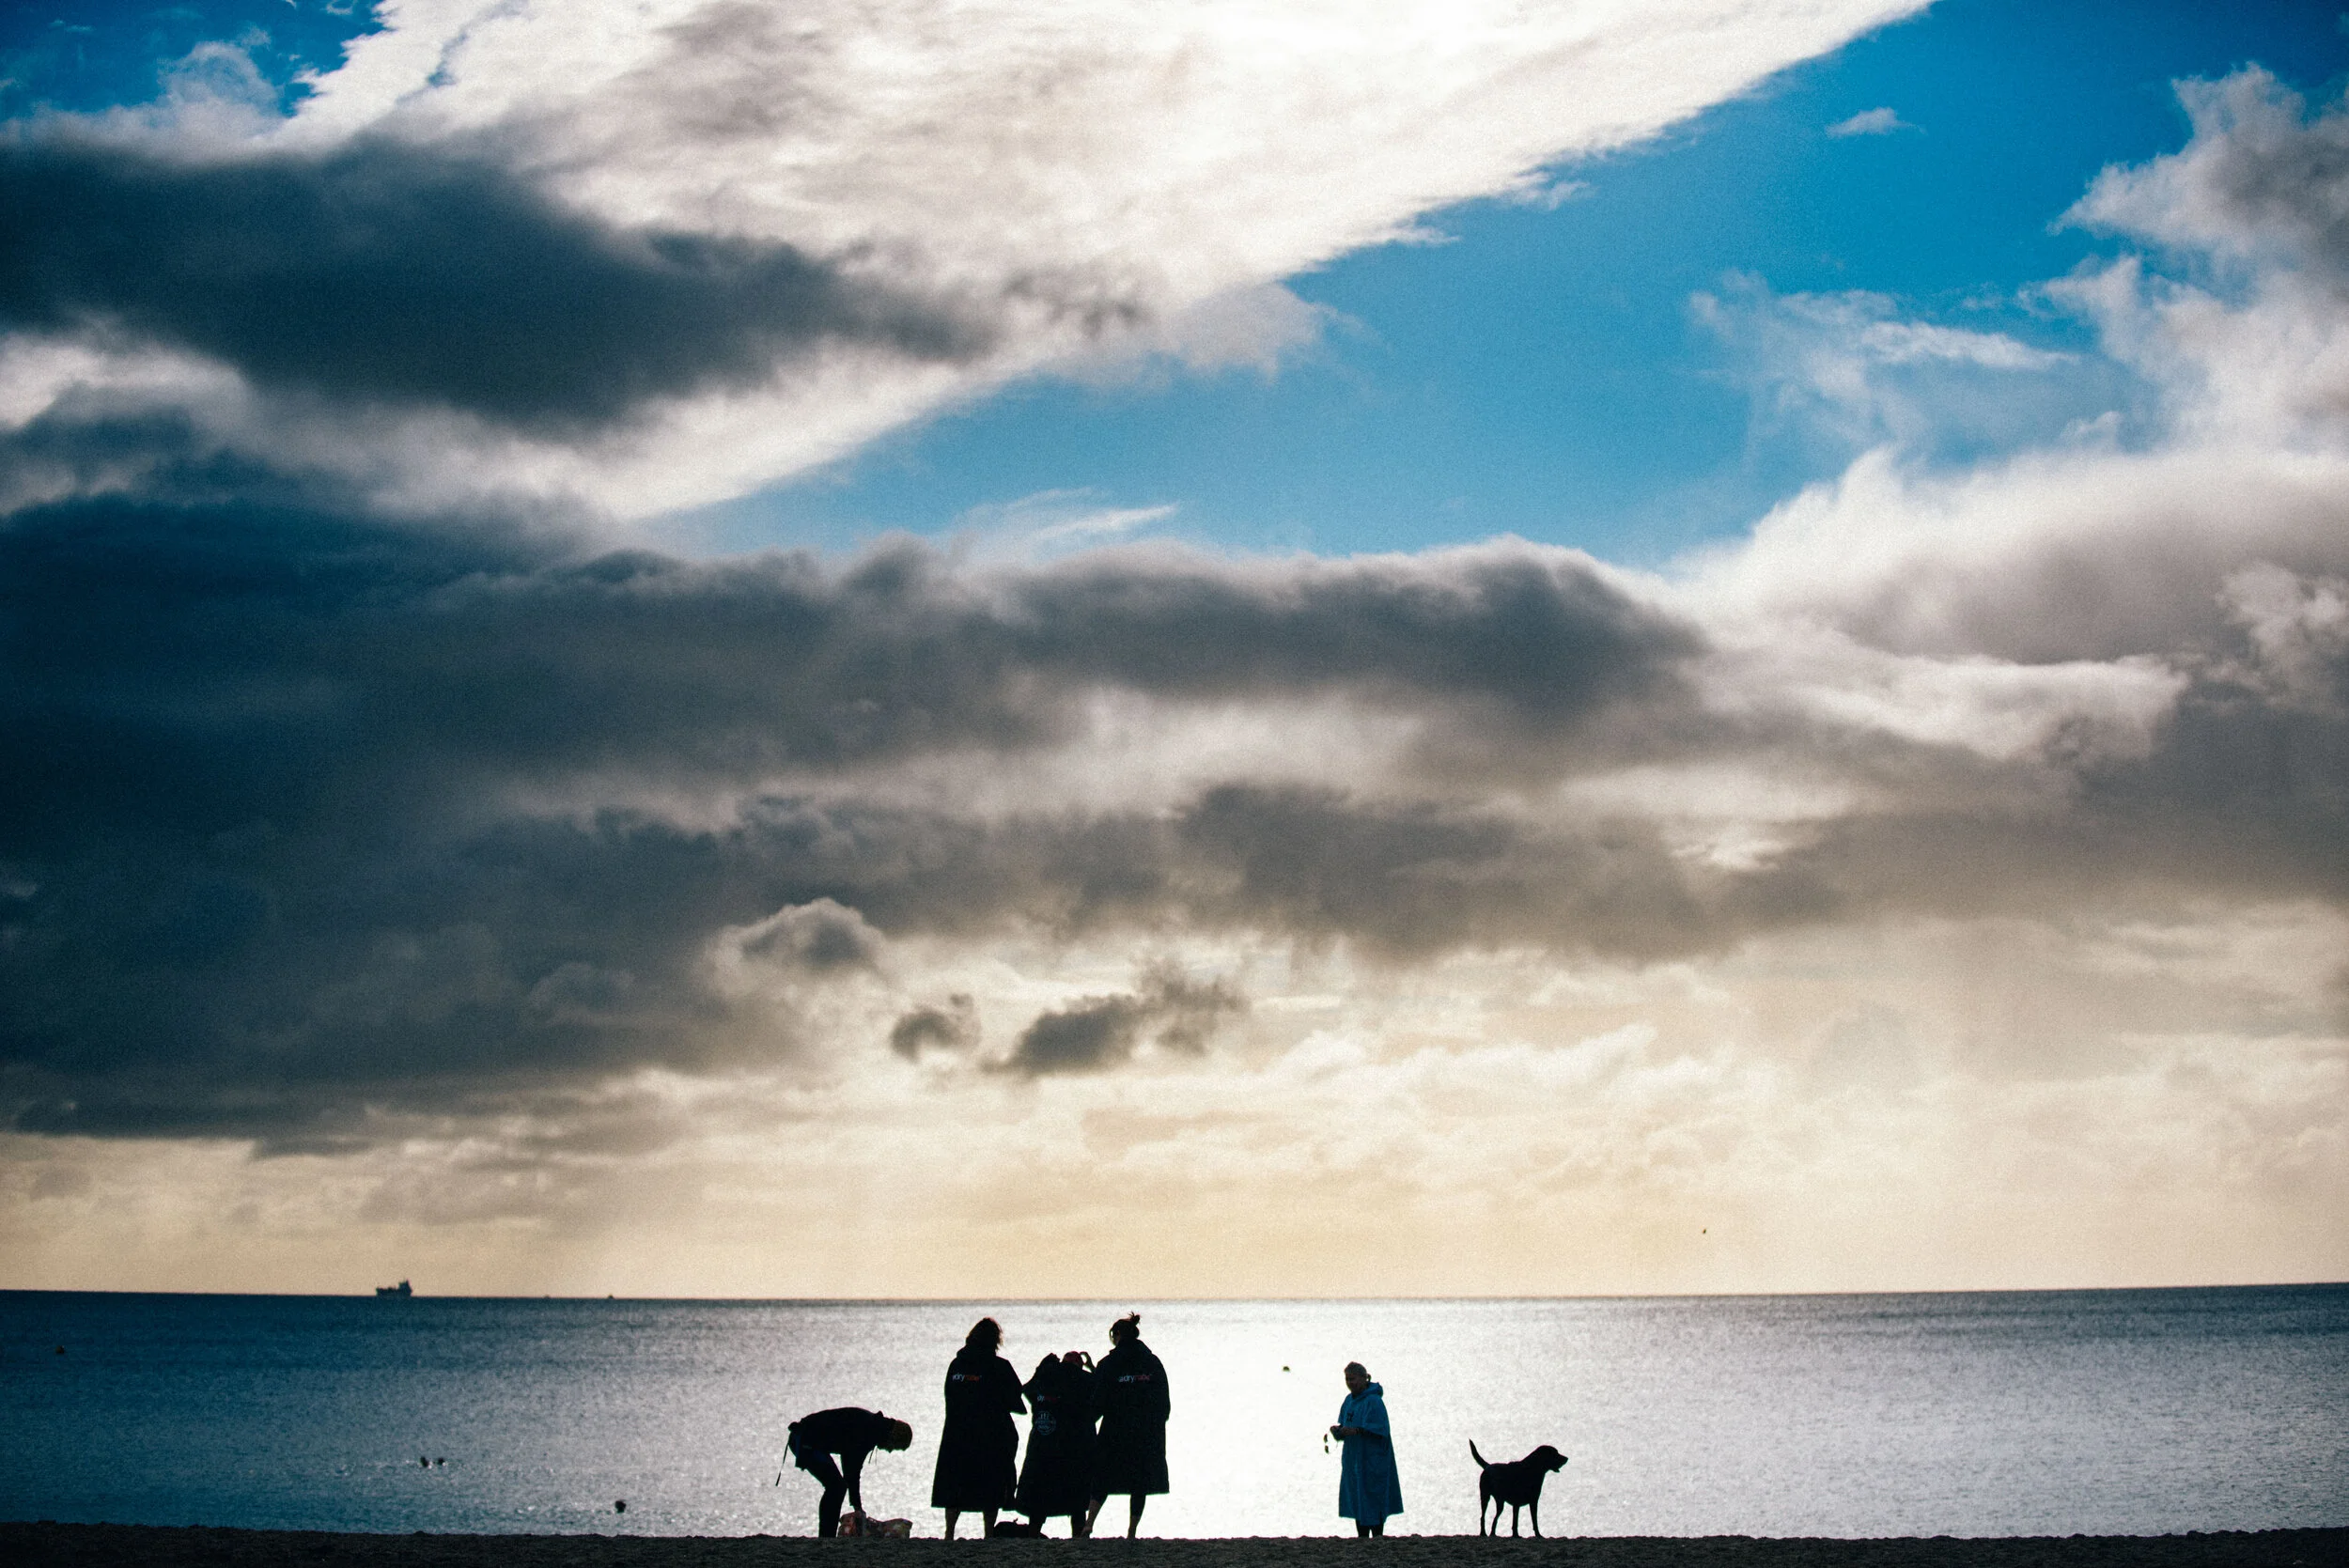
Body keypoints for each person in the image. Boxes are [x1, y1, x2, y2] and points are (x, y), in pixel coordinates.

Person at [930, 1316, 1025, 1539]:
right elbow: (1015, 1401)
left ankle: (949, 1532)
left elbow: (949, 1397)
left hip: (957, 1434)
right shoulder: (1000, 1366)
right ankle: (988, 1532)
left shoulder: (956, 1365)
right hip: (990, 1435)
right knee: (991, 1483)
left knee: (955, 1484)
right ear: (995, 1341)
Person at [1088, 1312, 1169, 1538]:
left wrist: (1089, 1422)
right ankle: (1132, 1530)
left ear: (1117, 1335)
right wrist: (1158, 1422)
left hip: (1114, 1429)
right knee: (1139, 1483)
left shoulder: (1109, 1363)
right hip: (1145, 1431)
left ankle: (1089, 1522)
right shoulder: (1152, 1362)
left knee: (1102, 1477)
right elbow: (1163, 1398)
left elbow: (1099, 1397)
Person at [786, 1406, 913, 1537]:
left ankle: (827, 1536)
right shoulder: (869, 1431)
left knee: (837, 1486)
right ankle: (826, 1536)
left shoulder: (874, 1427)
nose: (890, 1450)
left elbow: (850, 1466)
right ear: (893, 1437)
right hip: (803, 1440)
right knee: (836, 1487)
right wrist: (857, 1506)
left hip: (809, 1440)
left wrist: (856, 1505)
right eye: (894, 1447)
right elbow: (852, 1468)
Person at [1016, 1349, 1098, 1535]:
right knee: (1077, 1500)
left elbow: (1027, 1390)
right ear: (1079, 1364)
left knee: (1039, 1496)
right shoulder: (1086, 1380)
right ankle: (1078, 1534)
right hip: (1077, 1447)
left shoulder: (1045, 1377)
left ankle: (1034, 1531)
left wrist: (1040, 1368)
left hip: (1044, 1446)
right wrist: (1092, 1368)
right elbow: (1103, 1392)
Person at [1331, 1361, 1402, 1537]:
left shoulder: (1374, 1401)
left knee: (1374, 1498)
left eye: (1353, 1379)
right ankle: (1362, 1537)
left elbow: (1381, 1430)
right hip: (1353, 1461)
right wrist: (1338, 1431)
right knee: (1357, 1499)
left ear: (1364, 1378)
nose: (1350, 1383)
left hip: (1373, 1461)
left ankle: (1378, 1537)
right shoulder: (1349, 1400)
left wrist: (1356, 1430)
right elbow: (1345, 1424)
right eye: (1347, 1379)